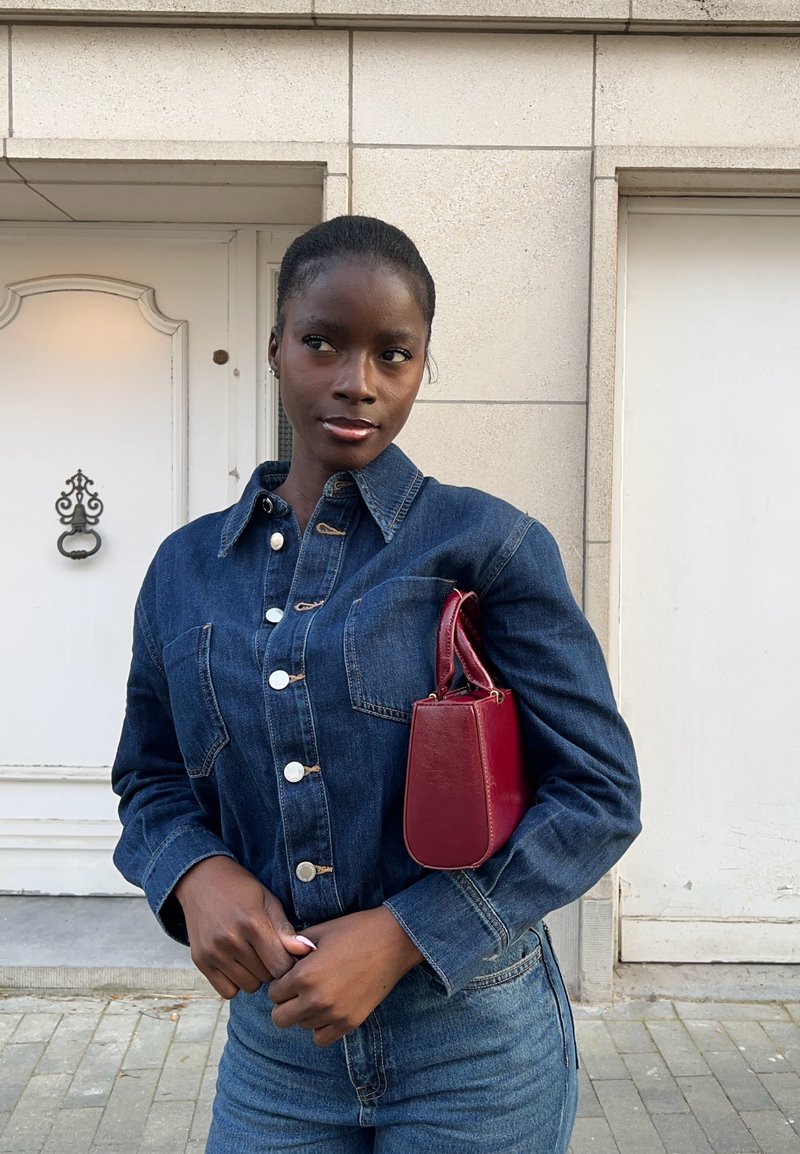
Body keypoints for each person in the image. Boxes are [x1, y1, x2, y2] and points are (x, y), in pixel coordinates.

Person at [112, 215, 641, 1153]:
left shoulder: (489, 547)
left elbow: (599, 796)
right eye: (323, 342)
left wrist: (404, 932)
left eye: (393, 354)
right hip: (279, 1053)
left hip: (474, 1047)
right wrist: (193, 872)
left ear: (421, 366)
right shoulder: (186, 569)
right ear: (276, 347)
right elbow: (150, 780)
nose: (357, 381)